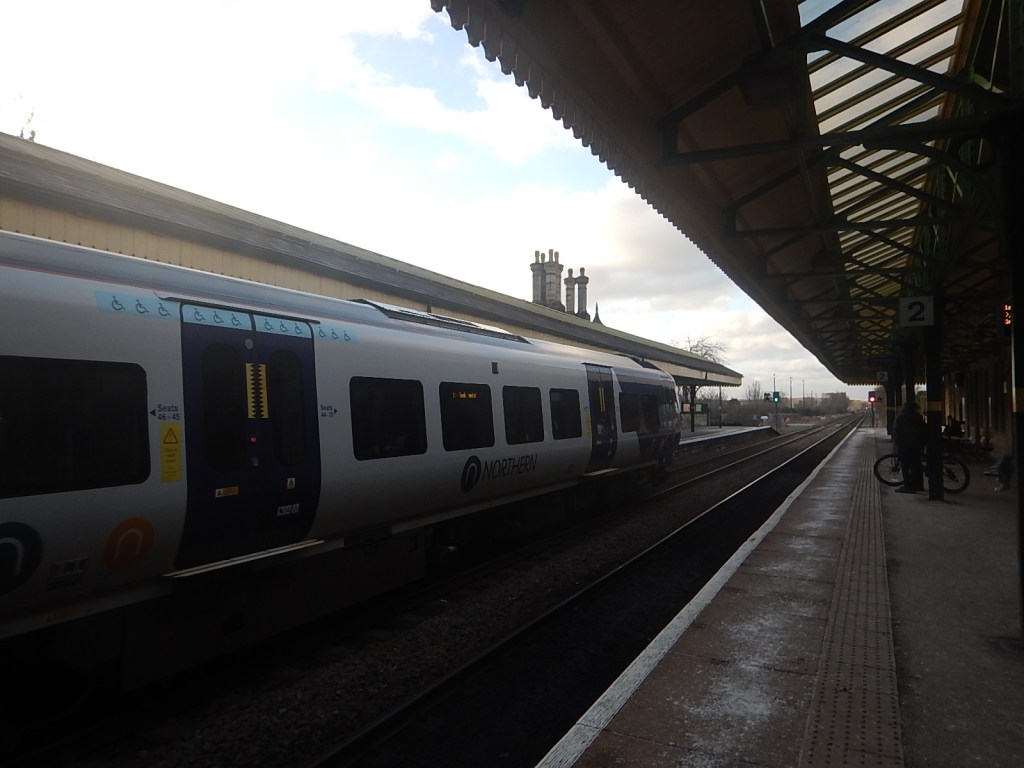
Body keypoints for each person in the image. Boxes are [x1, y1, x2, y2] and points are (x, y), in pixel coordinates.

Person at [892, 401, 927, 493]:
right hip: (916, 446)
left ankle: (908, 486)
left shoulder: (901, 418)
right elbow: (924, 430)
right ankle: (919, 485)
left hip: (904, 446)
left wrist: (896, 445)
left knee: (905, 467)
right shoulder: (918, 417)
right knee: (917, 466)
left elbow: (896, 432)